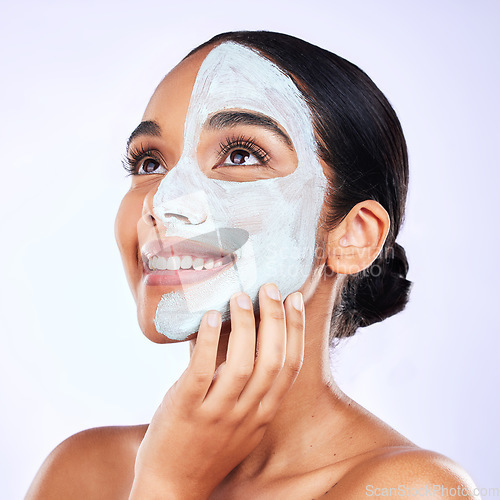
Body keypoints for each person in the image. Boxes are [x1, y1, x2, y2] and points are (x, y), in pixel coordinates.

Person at [26, 31, 478, 499]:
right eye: (148, 164)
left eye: (240, 155)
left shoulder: (410, 489)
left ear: (354, 236)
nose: (161, 201)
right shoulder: (84, 471)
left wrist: (168, 485)